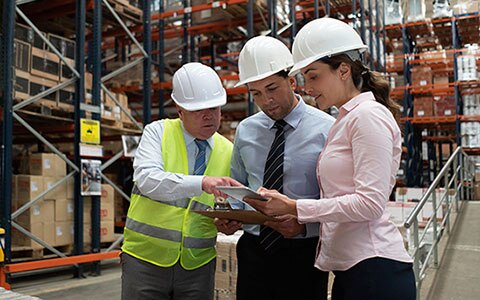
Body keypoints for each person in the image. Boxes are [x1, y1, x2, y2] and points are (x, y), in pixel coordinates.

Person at [244, 18, 416, 300]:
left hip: (374, 269)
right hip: (353, 270)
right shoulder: (347, 118)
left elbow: (370, 203)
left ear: (344, 70)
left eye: (313, 76)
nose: (308, 88)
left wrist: (296, 207)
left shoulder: (368, 116)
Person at [216, 36, 334, 300]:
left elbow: (337, 201)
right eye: (256, 93)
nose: (266, 100)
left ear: (292, 82)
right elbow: (238, 188)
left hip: (304, 251)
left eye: (272, 88)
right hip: (253, 250)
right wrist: (229, 217)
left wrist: (305, 227)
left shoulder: (327, 129)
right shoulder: (246, 130)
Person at [121, 62, 241, 300]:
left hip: (198, 264)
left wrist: (228, 220)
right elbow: (147, 179)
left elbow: (225, 203)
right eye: (198, 110)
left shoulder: (229, 149)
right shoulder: (158, 133)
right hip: (145, 259)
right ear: (179, 110)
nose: (208, 116)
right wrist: (202, 182)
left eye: (214, 109)